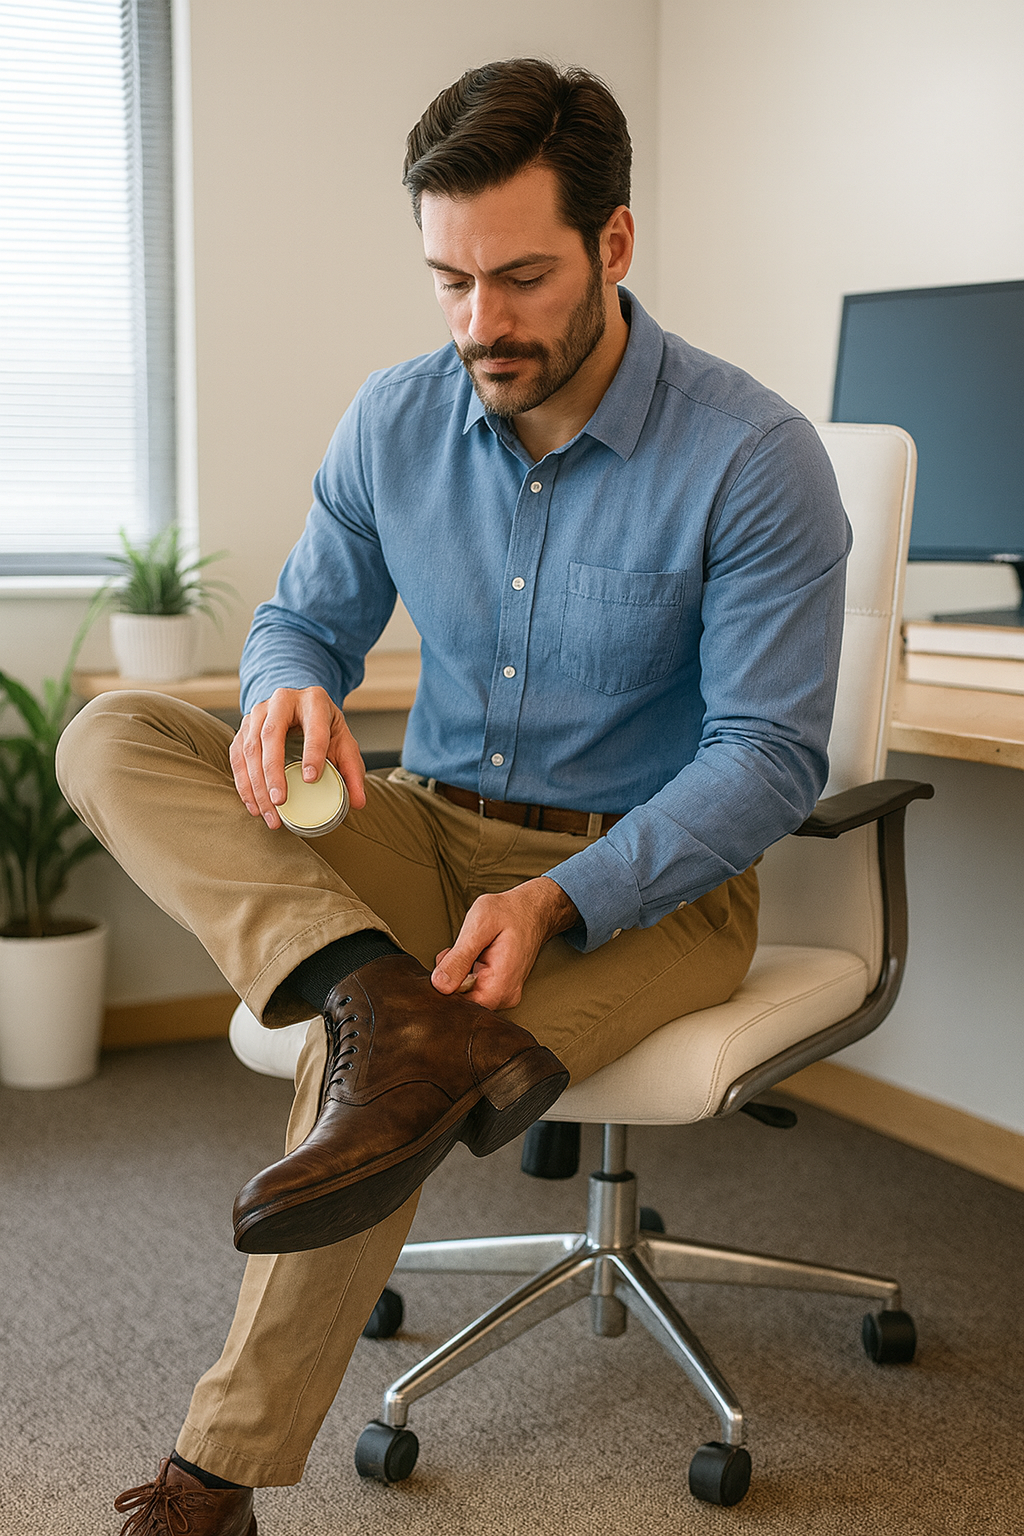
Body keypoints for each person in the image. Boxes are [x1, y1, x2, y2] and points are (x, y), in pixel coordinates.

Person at [58, 57, 850, 1536]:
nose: (481, 323)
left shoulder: (754, 460)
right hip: (428, 826)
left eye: (523, 278)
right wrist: (289, 672)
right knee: (112, 739)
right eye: (449, 280)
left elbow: (768, 758)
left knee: (383, 1099)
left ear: (615, 244)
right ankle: (376, 995)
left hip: (645, 887)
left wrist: (561, 899)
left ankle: (209, 1484)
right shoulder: (394, 420)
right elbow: (305, 617)